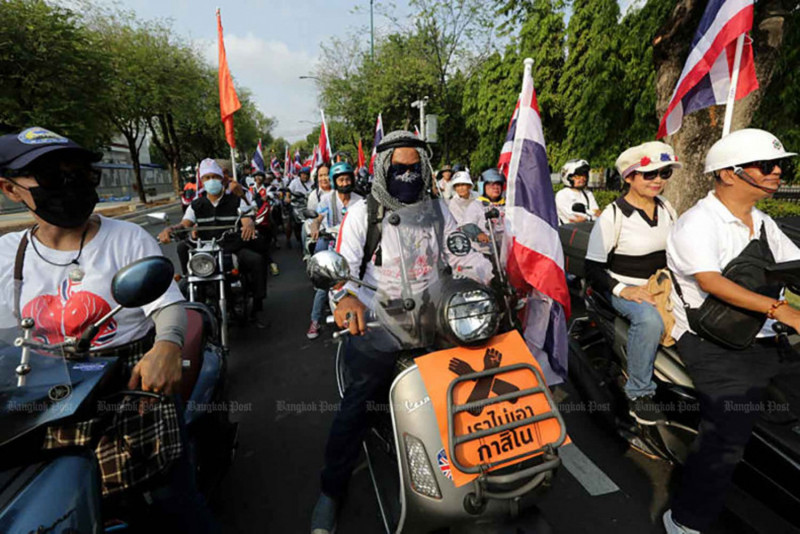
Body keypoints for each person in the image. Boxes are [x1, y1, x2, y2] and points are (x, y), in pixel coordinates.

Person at [0, 127, 218, 532]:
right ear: (11, 190)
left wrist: (166, 347)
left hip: (129, 392)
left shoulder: (127, 238)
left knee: (176, 505)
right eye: (51, 177)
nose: (70, 185)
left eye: (80, 174)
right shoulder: (7, 253)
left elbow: (168, 305)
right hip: (37, 405)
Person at [310, 131, 493, 534]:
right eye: (400, 169)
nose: (408, 176)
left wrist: (479, 282)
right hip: (378, 324)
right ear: (382, 169)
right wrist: (346, 299)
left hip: (436, 324)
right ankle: (331, 491)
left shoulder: (441, 211)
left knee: (470, 395)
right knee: (356, 407)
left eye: (415, 169)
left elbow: (463, 258)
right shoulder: (363, 214)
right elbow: (344, 269)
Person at [663, 129, 800, 534]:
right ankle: (685, 520)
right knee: (727, 431)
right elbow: (711, 281)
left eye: (781, 165)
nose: (777, 172)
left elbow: (792, 266)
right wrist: (783, 310)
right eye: (765, 165)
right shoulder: (697, 223)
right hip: (713, 342)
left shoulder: (763, 222)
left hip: (761, 333)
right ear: (728, 174)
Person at [584, 141, 680, 425]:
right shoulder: (613, 215)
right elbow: (593, 268)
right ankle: (639, 393)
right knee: (650, 321)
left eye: (664, 173)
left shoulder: (667, 208)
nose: (658, 180)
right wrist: (624, 290)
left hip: (663, 283)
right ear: (629, 177)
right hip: (623, 286)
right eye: (649, 174)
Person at [159, 158, 268, 327]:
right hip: (206, 251)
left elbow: (247, 218)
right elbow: (185, 224)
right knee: (182, 247)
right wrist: (170, 230)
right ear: (201, 181)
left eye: (214, 177)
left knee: (256, 260)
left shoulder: (235, 200)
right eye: (207, 177)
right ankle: (193, 286)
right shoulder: (196, 205)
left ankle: (257, 308)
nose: (211, 181)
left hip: (231, 248)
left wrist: (248, 223)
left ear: (222, 179)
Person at [306, 162, 363, 339]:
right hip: (333, 245)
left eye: (347, 179)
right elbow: (318, 218)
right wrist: (316, 227)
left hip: (355, 246)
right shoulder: (327, 199)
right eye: (341, 179)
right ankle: (315, 321)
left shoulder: (360, 201)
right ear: (334, 181)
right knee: (327, 283)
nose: (345, 183)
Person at [448, 170, 490, 246]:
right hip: (467, 235)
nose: (461, 188)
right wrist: (476, 233)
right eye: (457, 185)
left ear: (469, 186)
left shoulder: (477, 196)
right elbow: (462, 223)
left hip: (485, 231)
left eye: (463, 184)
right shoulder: (453, 203)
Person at [555, 159, 601, 224]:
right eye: (578, 176)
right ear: (568, 177)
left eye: (584, 175)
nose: (582, 178)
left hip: (588, 231)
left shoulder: (588, 194)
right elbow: (573, 217)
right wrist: (591, 215)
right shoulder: (562, 195)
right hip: (567, 232)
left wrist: (587, 218)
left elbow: (598, 214)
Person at [477, 168, 507, 250]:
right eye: (491, 184)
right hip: (486, 249)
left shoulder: (507, 205)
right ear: (483, 186)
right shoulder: (476, 204)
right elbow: (467, 224)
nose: (496, 187)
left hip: (506, 247)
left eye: (498, 184)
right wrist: (478, 233)